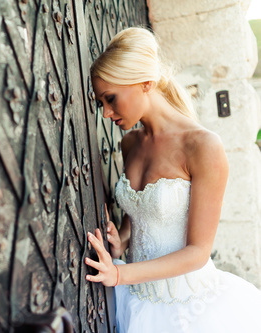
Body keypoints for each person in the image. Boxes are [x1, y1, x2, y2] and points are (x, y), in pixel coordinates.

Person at [84, 27, 261, 332]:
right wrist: (120, 241)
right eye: (101, 102)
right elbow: (136, 221)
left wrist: (119, 275)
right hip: (135, 298)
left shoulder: (203, 146)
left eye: (110, 99)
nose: (105, 113)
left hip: (187, 308)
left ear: (145, 82)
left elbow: (197, 253)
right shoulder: (130, 144)